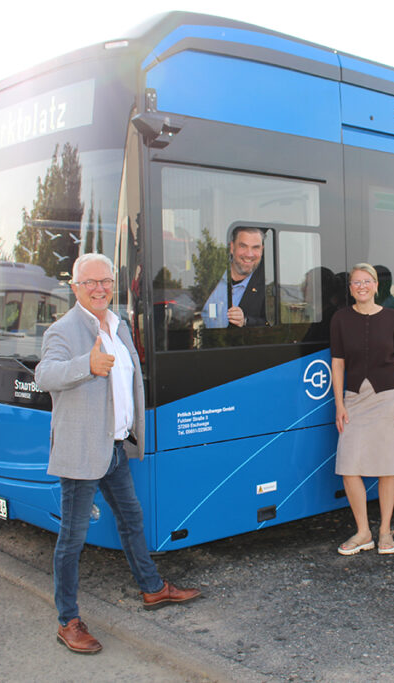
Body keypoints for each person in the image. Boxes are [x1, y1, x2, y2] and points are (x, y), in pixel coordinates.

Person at [35, 253, 201, 654]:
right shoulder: (63, 330)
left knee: (131, 518)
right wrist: (85, 365)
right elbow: (44, 376)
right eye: (89, 282)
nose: (99, 288)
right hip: (81, 450)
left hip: (114, 446)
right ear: (75, 287)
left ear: (114, 284)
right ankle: (67, 620)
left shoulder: (119, 324)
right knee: (72, 538)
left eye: (105, 281)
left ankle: (152, 588)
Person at [330, 263, 394, 555]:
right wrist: (339, 403)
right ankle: (363, 531)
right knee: (349, 466)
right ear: (350, 288)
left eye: (367, 281)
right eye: (356, 282)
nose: (361, 286)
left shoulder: (392, 318)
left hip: (389, 399)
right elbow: (337, 363)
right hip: (354, 399)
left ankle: (384, 531)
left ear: (377, 286)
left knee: (388, 468)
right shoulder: (340, 319)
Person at [200, 226, 266, 328]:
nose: (249, 254)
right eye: (243, 246)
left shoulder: (267, 288)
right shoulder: (208, 275)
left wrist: (245, 321)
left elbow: (272, 327)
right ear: (232, 247)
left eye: (255, 247)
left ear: (262, 250)